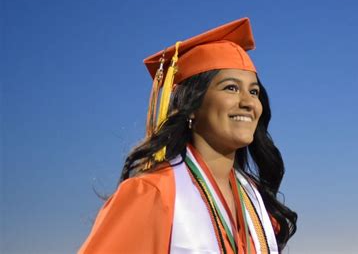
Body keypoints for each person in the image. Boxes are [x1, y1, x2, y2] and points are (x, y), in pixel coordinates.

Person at [79, 17, 297, 253]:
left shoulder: (256, 203)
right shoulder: (153, 195)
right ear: (192, 105)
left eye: (254, 91)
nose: (248, 102)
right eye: (231, 88)